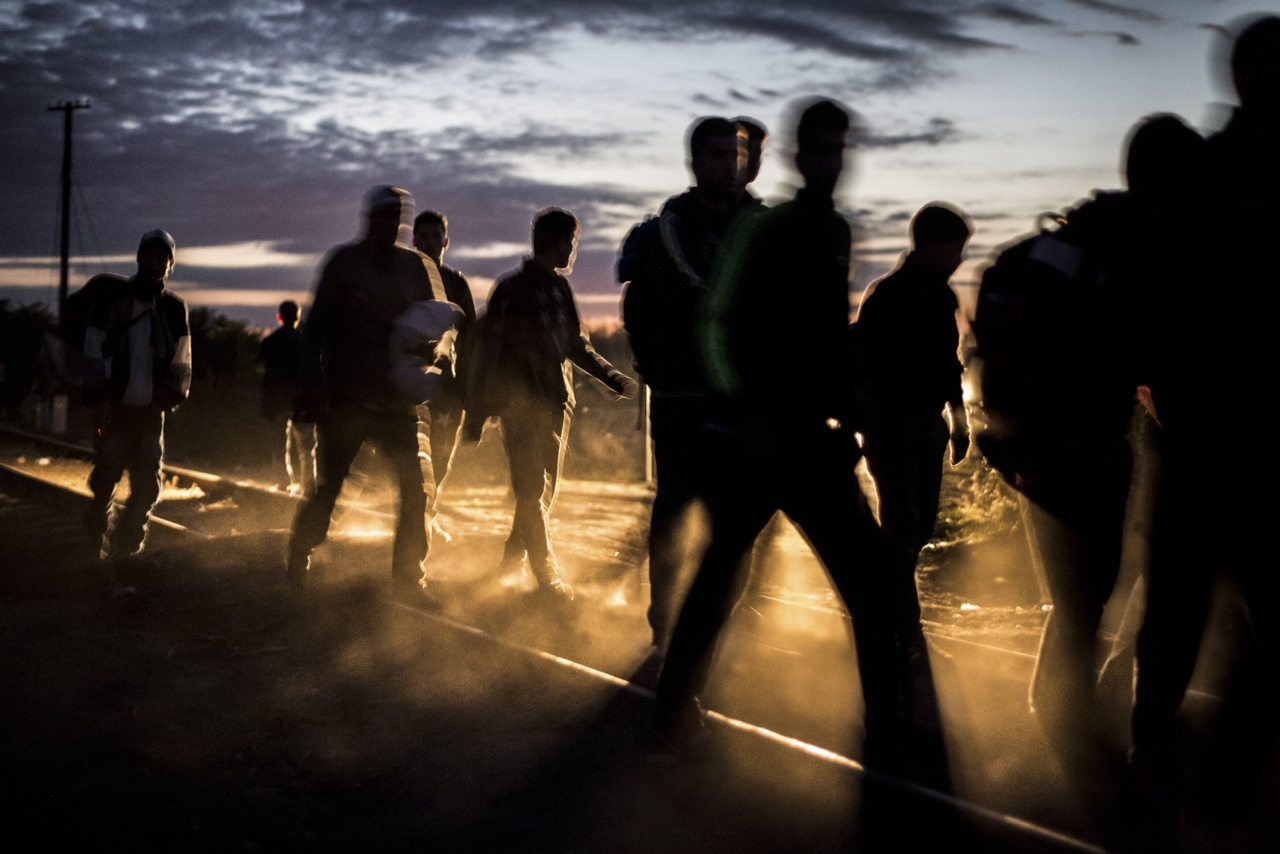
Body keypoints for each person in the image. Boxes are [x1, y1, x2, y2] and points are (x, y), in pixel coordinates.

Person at [655, 99, 946, 784]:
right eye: (819, 148)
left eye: (839, 148)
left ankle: (886, 736)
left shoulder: (833, 230)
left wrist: (854, 411)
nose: (829, 161)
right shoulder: (764, 227)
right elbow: (715, 322)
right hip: (760, 444)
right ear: (797, 155)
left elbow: (827, 340)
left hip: (813, 445)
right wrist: (744, 411)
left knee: (869, 588)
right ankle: (667, 714)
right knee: (721, 580)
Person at [1130, 14, 1280, 835]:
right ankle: (1217, 785)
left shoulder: (1194, 176)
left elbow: (1154, 314)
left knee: (1176, 617)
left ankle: (1155, 769)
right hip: (1248, 441)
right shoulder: (1243, 179)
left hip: (1191, 441)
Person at [618, 116, 761, 648]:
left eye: (734, 155)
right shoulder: (670, 229)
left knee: (737, 519)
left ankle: (712, 621)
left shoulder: (759, 224)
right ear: (695, 163)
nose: (728, 165)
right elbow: (680, 299)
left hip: (745, 401)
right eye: (717, 155)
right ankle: (666, 620)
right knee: (677, 509)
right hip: (683, 399)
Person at [465, 207, 636, 601]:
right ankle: (547, 574)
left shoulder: (559, 290)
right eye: (571, 243)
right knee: (531, 490)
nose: (573, 251)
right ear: (559, 244)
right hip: (521, 406)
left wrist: (610, 376)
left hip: (557, 404)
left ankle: (511, 563)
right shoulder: (511, 290)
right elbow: (487, 352)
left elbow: (575, 345)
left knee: (542, 494)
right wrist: (477, 410)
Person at [286, 186, 440, 603]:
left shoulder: (415, 267)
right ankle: (300, 553)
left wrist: (433, 372)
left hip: (397, 403)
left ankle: (409, 580)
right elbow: (314, 332)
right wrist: (314, 389)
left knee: (416, 492)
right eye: (385, 216)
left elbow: (435, 327)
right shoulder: (345, 264)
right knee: (330, 488)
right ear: (370, 219)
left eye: (397, 217)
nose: (391, 224)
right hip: (347, 400)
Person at [852, 203, 971, 565]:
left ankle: (892, 594)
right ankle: (892, 598)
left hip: (925, 428)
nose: (960, 260)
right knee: (902, 529)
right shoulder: (889, 296)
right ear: (932, 247)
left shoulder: (940, 296)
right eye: (955, 250)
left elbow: (948, 365)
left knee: (915, 531)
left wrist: (958, 423)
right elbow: (864, 362)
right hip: (892, 430)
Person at [82, 229, 191, 596]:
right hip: (113, 411)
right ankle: (95, 558)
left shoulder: (174, 308)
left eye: (162, 257)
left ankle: (125, 556)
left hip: (149, 414)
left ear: (170, 264)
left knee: (146, 490)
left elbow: (181, 360)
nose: (155, 262)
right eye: (150, 255)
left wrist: (168, 400)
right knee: (105, 485)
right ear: (139, 257)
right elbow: (93, 350)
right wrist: (99, 397)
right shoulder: (113, 300)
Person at [411, 210, 477, 532]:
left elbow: (471, 338)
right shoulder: (402, 280)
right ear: (414, 241)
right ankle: (416, 524)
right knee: (411, 459)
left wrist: (467, 388)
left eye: (435, 237)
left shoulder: (456, 283)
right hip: (408, 383)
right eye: (423, 237)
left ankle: (425, 519)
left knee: (439, 459)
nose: (429, 243)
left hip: (447, 387)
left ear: (445, 242)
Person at [258, 300, 316, 495]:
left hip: (277, 401)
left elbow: (262, 369)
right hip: (302, 401)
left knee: (279, 444)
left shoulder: (270, 341)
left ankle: (283, 482)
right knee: (306, 447)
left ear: (280, 317)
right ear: (297, 317)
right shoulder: (306, 342)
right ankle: (309, 485)